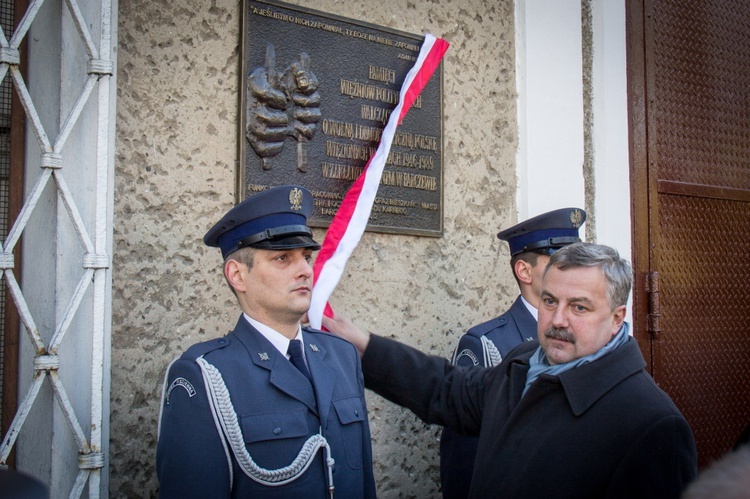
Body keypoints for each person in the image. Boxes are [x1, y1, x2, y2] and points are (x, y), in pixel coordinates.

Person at [323, 242, 698, 498]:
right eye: (549, 301)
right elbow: (447, 389)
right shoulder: (523, 362)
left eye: (579, 307)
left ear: (617, 318)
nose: (558, 319)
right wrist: (364, 347)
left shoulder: (653, 426)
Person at [156, 185, 376, 498]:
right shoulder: (205, 375)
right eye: (282, 258)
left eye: (306, 256)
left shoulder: (341, 355)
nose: (304, 270)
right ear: (237, 275)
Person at [441, 207, 586, 499]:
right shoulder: (486, 345)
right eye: (561, 261)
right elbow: (464, 462)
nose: (575, 271)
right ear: (524, 271)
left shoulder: (584, 334)